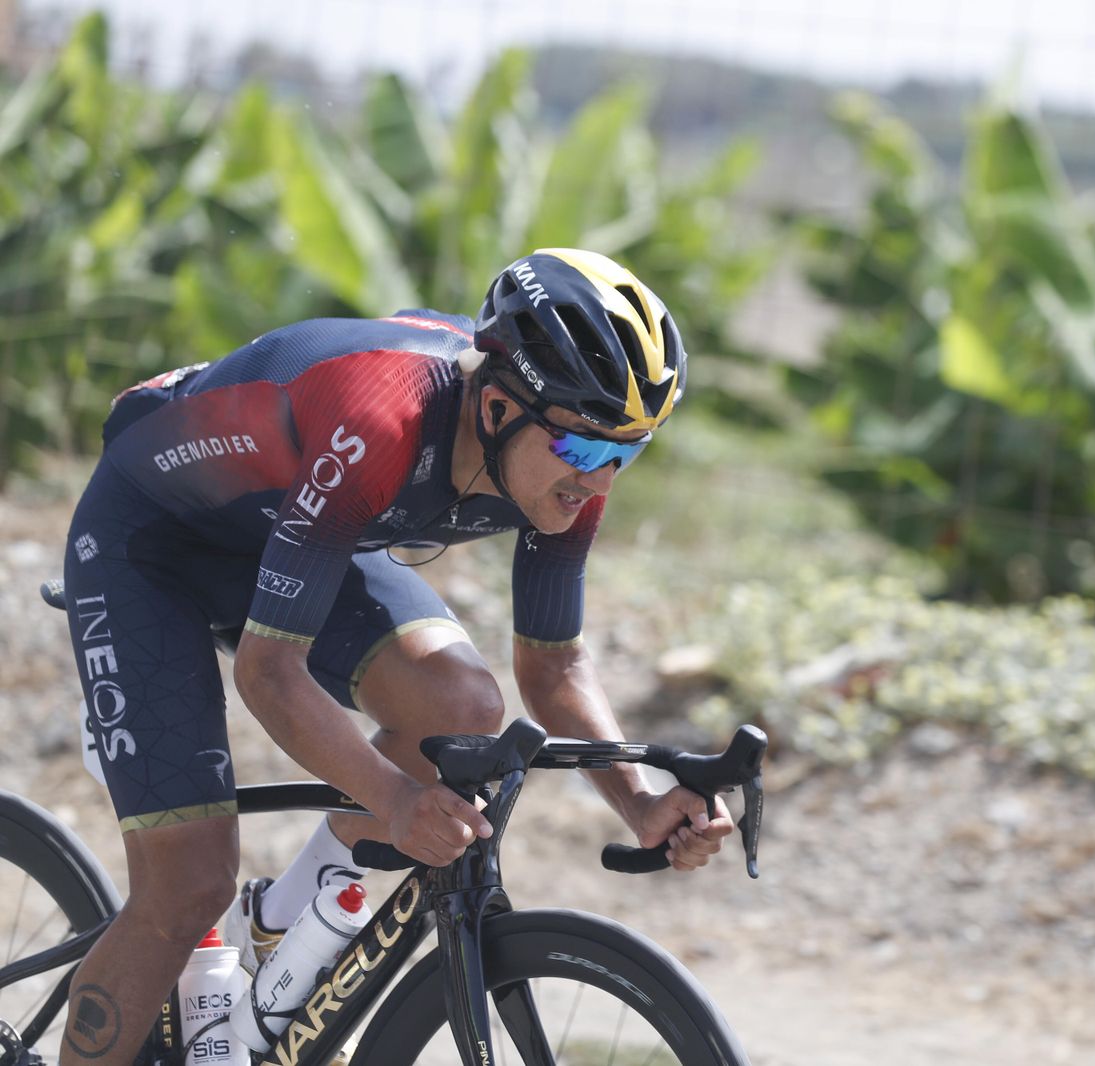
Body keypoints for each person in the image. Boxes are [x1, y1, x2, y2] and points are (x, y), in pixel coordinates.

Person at [57, 248, 734, 1066]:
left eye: (630, 453)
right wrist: (396, 799)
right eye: (588, 452)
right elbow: (269, 674)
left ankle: (278, 928)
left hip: (293, 525)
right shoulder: (381, 421)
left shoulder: (563, 462)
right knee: (187, 885)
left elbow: (553, 668)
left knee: (459, 708)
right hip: (150, 540)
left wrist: (640, 801)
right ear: (496, 409)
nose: (602, 483)